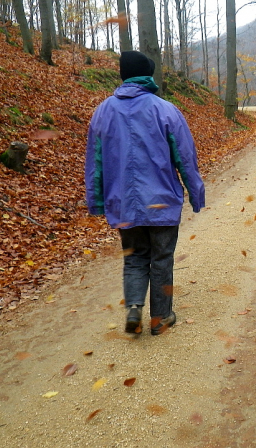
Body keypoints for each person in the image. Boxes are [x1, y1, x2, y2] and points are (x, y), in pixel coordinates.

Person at [85, 50, 205, 336]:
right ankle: (161, 317)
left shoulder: (103, 112)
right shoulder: (165, 109)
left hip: (123, 203)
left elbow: (95, 162)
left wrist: (97, 201)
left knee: (135, 256)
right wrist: (196, 192)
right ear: (147, 76)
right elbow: (185, 157)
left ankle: (135, 308)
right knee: (162, 259)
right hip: (161, 201)